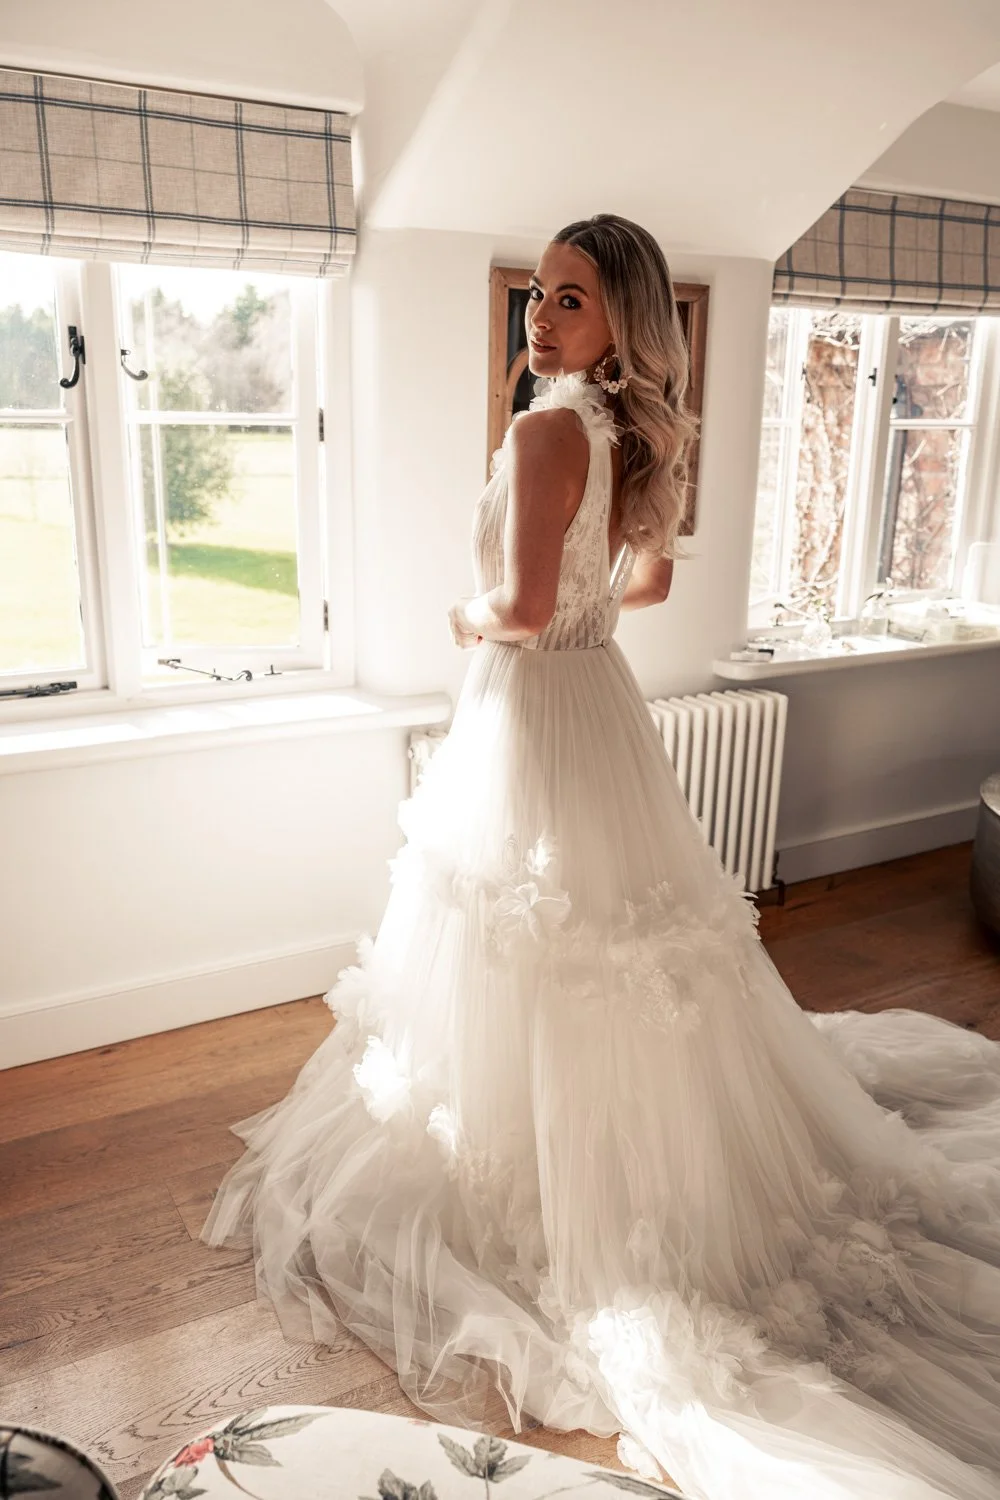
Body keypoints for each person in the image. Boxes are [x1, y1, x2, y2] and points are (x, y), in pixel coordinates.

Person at [202, 213, 1000, 1500]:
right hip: (599, 706)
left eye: (570, 301)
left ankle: (556, 1193)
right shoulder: (626, 432)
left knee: (534, 945)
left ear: (620, 320)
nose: (542, 317)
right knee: (607, 950)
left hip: (529, 712)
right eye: (539, 295)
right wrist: (558, 611)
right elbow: (643, 593)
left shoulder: (538, 428)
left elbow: (514, 614)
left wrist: (464, 614)